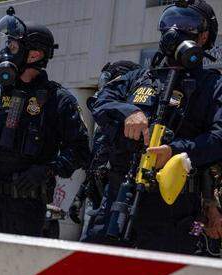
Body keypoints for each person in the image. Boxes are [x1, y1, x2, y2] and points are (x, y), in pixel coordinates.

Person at [90, 0, 222, 254]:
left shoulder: (212, 85)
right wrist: (129, 112)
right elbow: (100, 102)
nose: (174, 29)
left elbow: (218, 138)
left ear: (204, 36)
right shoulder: (139, 77)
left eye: (186, 24)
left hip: (173, 206)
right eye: (169, 22)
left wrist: (174, 151)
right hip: (119, 197)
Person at [0, 8, 90, 236]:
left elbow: (80, 150)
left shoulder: (58, 100)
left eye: (12, 47)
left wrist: (46, 171)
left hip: (26, 209)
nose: (6, 52)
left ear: (34, 55)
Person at [70, 61, 142, 237]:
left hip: (119, 198)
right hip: (98, 199)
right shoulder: (105, 123)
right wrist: (80, 195)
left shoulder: (131, 124)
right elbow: (95, 164)